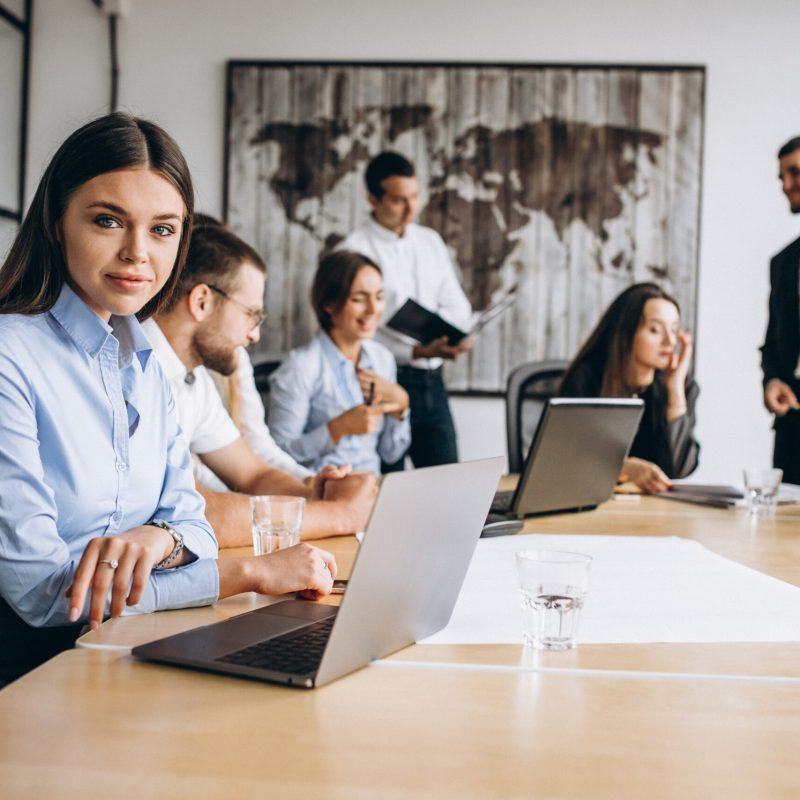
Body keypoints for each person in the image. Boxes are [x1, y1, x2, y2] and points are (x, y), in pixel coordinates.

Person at [0, 113, 336, 686]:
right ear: (57, 222)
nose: (138, 253)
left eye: (162, 229)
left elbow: (193, 521)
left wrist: (162, 537)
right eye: (109, 221)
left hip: (130, 648)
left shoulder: (147, 362)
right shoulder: (10, 356)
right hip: (37, 672)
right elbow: (43, 594)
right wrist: (250, 572)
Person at [145, 220, 377, 546]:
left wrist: (314, 493)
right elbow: (191, 515)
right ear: (201, 302)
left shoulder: (193, 381)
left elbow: (254, 474)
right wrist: (340, 514)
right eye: (251, 315)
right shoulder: (135, 373)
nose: (254, 336)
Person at [340, 151, 472, 470]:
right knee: (390, 488)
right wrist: (415, 351)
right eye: (399, 200)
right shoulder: (352, 250)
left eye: (415, 196)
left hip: (433, 384)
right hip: (382, 381)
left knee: (448, 483)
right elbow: (352, 333)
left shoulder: (430, 241)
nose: (411, 209)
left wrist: (451, 341)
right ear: (373, 199)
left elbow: (458, 307)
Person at [268, 251, 411, 474]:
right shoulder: (300, 368)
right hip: (320, 494)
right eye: (359, 299)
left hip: (373, 492)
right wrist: (336, 429)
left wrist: (402, 406)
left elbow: (391, 453)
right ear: (330, 304)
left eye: (379, 297)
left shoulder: (383, 359)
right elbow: (276, 457)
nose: (373, 310)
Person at [559, 282, 699, 493]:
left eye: (674, 329)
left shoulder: (678, 386)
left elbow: (679, 470)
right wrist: (622, 468)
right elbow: (566, 460)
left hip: (654, 515)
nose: (670, 341)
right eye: (655, 330)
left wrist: (676, 389)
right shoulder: (587, 377)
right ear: (626, 332)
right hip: (593, 507)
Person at [760, 136, 800, 485]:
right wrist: (772, 380)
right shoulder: (783, 263)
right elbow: (772, 345)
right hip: (793, 431)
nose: (786, 186)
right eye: (782, 178)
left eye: (796, 173)